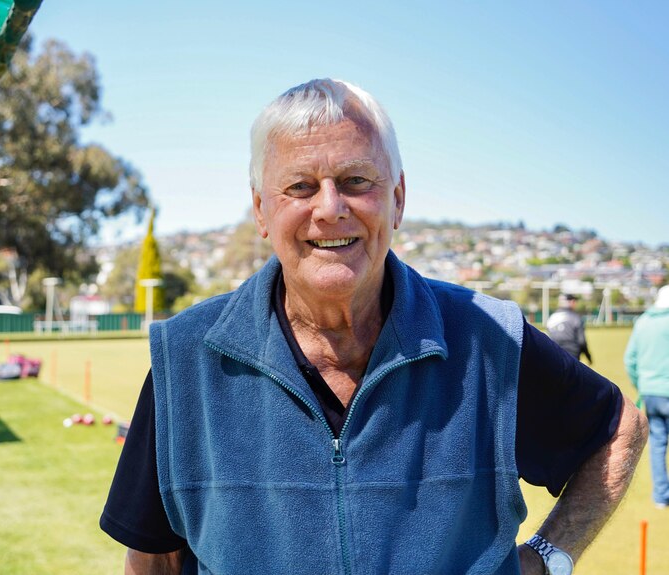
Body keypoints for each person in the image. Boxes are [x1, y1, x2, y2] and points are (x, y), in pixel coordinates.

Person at [101, 79, 646, 575]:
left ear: (397, 199)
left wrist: (547, 559)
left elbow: (619, 429)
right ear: (262, 211)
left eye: (356, 180)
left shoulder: (487, 338)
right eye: (300, 187)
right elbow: (152, 563)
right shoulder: (185, 358)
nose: (330, 208)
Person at [624, 285, 669, 508]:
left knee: (658, 444)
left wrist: (642, 384)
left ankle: (661, 496)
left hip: (651, 392)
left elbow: (630, 359)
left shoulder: (643, 322)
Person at [546, 293, 592, 363]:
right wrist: (588, 357)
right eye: (574, 301)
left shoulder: (552, 317)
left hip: (554, 356)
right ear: (571, 302)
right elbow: (582, 341)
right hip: (572, 357)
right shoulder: (575, 317)